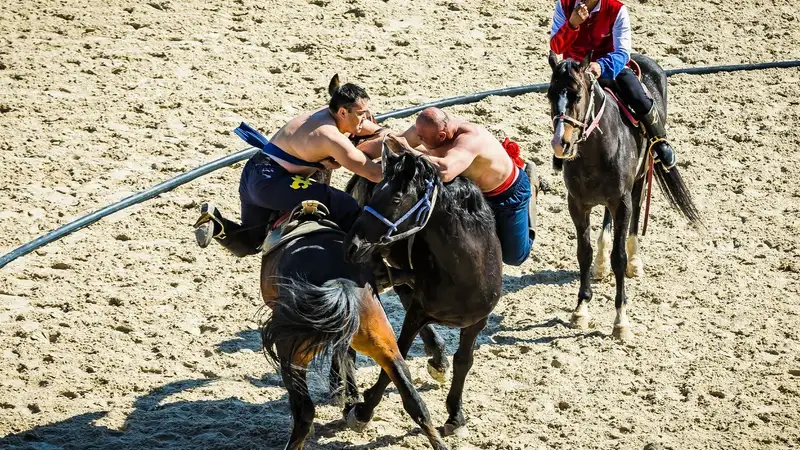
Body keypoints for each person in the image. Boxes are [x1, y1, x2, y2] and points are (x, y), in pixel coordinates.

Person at [192, 76, 409, 288]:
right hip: (273, 182)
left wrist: (388, 133)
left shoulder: (323, 115)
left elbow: (369, 129)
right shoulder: (330, 136)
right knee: (343, 203)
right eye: (362, 114)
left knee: (251, 240)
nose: (366, 120)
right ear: (343, 112)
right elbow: (373, 174)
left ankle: (217, 223)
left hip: (253, 173)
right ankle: (378, 271)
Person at [373, 107, 538, 266]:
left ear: (442, 135)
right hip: (471, 192)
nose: (419, 139)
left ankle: (531, 191)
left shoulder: (471, 138)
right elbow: (395, 140)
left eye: (422, 138)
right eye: (419, 135)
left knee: (514, 257)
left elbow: (445, 171)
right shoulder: (426, 129)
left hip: (507, 194)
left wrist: (409, 151)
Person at [550, 0, 677, 171]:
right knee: (560, 99)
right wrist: (572, 24)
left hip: (609, 68)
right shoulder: (563, 5)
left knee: (638, 96)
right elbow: (556, 46)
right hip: (575, 72)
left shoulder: (617, 9)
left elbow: (623, 52)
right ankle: (561, 138)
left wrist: (602, 66)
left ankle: (659, 139)